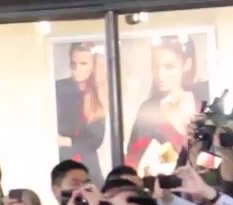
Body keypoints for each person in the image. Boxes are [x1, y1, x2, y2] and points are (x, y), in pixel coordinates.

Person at [125, 37, 208, 169]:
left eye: (169, 67)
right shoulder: (148, 110)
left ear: (186, 64)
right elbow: (132, 161)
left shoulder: (205, 101)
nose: (160, 75)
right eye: (155, 67)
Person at [56, 42, 107, 186]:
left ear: (94, 65)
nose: (77, 69)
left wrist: (68, 141)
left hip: (87, 163)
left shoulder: (99, 94)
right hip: (62, 159)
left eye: (83, 63)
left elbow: (95, 139)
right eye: (74, 63)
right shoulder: (59, 89)